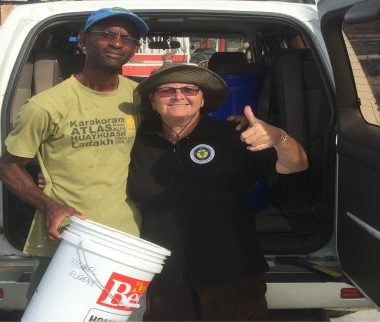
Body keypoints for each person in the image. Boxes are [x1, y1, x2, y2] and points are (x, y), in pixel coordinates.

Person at [128, 63, 309, 321]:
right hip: (165, 277)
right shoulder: (136, 139)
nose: (179, 96)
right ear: (153, 100)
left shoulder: (234, 135)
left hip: (232, 272)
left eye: (189, 89)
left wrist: (279, 138)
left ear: (202, 99)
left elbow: (296, 164)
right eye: (166, 90)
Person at [0, 7, 149, 302]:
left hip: (127, 238)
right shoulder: (46, 105)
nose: (117, 42)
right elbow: (8, 167)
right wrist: (48, 204)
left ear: (134, 49)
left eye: (128, 38)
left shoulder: (140, 97)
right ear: (83, 41)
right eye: (107, 34)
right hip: (67, 237)